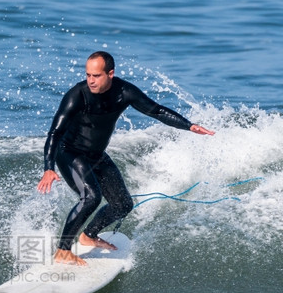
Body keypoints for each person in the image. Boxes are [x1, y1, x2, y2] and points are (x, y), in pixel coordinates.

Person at [37, 51, 214, 265]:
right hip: (70, 153)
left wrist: (189, 125)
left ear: (110, 74)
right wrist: (49, 168)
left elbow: (156, 110)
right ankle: (63, 250)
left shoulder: (124, 92)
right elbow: (54, 133)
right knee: (92, 197)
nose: (90, 80)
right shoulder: (78, 95)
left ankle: (89, 235)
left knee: (123, 204)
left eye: (96, 75)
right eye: (88, 75)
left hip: (96, 155)